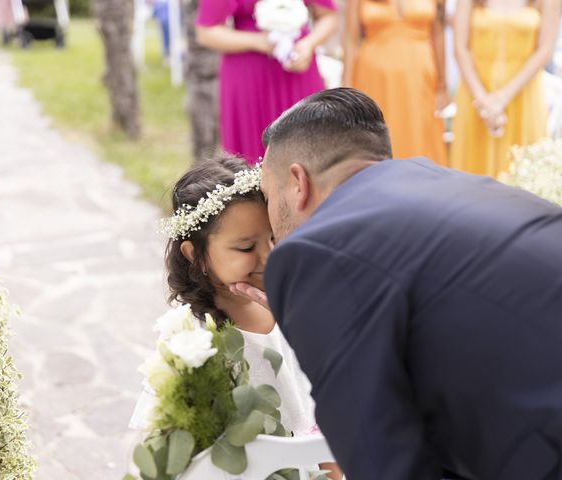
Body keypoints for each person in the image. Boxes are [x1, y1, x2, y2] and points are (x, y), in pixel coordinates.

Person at [231, 87, 562, 479]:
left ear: (298, 183)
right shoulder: (444, 185)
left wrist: (308, 301)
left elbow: (381, 458)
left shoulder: (315, 252)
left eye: (268, 196)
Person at [130, 156, 343, 479]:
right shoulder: (193, 338)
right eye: (245, 248)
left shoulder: (289, 304)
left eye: (273, 238)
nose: (268, 256)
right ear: (195, 255)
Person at [195, 0, 338, 165]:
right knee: (251, 154)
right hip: (247, 76)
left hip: (298, 69)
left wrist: (308, 44)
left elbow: (328, 16)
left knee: (309, 146)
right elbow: (206, 32)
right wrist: (257, 41)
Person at [450, 0, 560, 177]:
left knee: (522, 174)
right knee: (471, 178)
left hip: (524, 95)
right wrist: (483, 101)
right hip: (476, 94)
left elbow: (545, 50)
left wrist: (502, 97)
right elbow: (460, 48)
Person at [342, 0, 448, 165]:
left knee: (420, 141)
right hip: (374, 79)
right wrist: (345, 92)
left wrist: (442, 86)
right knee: (375, 142)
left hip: (420, 81)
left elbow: (439, 34)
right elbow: (350, 40)